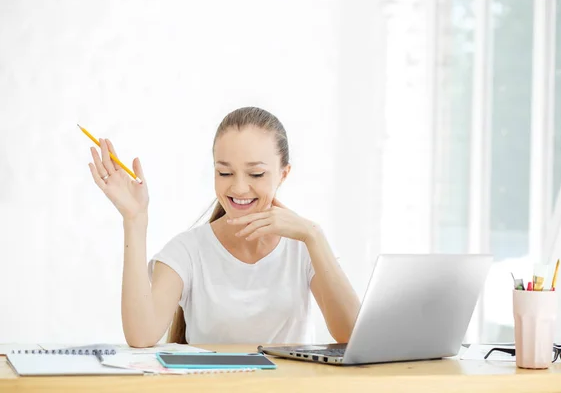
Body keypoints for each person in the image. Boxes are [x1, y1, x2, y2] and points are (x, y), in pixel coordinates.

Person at [87, 106, 360, 347]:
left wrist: (313, 234)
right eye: (225, 173)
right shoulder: (187, 251)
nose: (239, 187)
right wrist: (135, 219)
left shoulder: (304, 246)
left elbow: (351, 334)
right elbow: (141, 335)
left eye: (256, 174)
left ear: (283, 174)